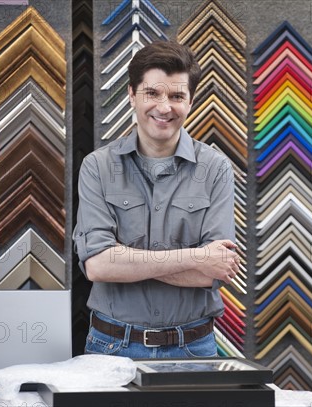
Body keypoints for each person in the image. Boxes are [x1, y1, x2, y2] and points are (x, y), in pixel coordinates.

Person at [73, 40, 240, 358]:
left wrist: (126, 261)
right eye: (152, 93)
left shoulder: (215, 168)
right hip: (112, 346)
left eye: (177, 96)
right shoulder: (98, 166)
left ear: (191, 101)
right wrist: (196, 257)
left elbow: (215, 271)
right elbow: (98, 266)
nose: (165, 107)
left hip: (193, 348)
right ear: (132, 95)